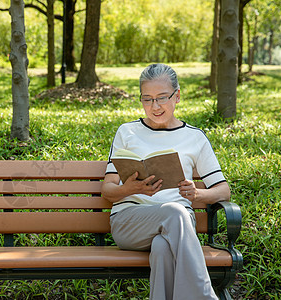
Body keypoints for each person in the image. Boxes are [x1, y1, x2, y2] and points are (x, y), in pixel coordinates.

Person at [101, 63, 230, 300]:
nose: (155, 106)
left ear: (177, 96)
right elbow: (107, 190)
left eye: (162, 97)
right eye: (147, 99)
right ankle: (205, 296)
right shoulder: (126, 132)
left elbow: (223, 191)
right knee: (175, 212)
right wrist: (129, 189)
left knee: (162, 247)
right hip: (130, 222)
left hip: (177, 225)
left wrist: (197, 195)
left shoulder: (194, 137)